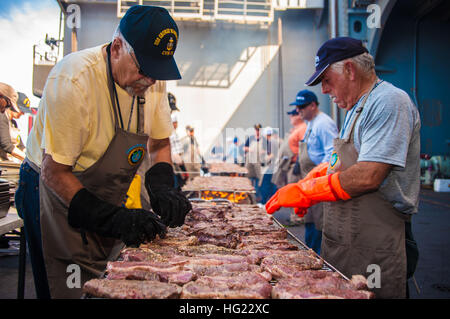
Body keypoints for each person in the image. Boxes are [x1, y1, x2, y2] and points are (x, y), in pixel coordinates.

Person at [15, 5, 192, 298]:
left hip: (101, 193)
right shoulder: (74, 79)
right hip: (52, 189)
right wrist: (115, 219)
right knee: (68, 286)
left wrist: (162, 187)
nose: (149, 81)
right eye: (144, 70)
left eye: (156, 73)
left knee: (106, 282)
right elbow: (55, 172)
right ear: (118, 47)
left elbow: (159, 144)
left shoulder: (153, 83)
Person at [266, 37, 420, 299]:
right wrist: (318, 174)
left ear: (349, 70)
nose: (324, 90)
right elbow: (346, 161)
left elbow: (370, 175)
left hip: (375, 241)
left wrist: (310, 191)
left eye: (327, 80)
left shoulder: (389, 102)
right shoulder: (355, 108)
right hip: (346, 239)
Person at [292, 89, 338, 254]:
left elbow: (332, 155)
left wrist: (318, 179)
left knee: (318, 228)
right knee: (310, 224)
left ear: (313, 105)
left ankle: (317, 262)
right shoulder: (311, 124)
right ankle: (310, 255)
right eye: (297, 107)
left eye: (302, 107)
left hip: (319, 184)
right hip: (310, 184)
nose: (299, 111)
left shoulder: (324, 124)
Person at [271, 105, 306, 225]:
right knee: (292, 192)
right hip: (288, 165)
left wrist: (298, 163)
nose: (290, 117)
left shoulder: (303, 128)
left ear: (298, 116)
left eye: (293, 114)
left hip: (296, 166)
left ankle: (298, 217)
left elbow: (304, 148)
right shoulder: (295, 129)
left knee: (296, 193)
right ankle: (294, 216)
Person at [0, 83, 26, 162]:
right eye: (7, 104)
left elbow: (21, 146)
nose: (5, 109)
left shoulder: (13, 123)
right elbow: (6, 145)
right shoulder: (2, 116)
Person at [169, 113, 187, 187]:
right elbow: (173, 151)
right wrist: (182, 166)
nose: (175, 124)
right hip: (174, 162)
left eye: (176, 123)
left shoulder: (174, 133)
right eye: (174, 123)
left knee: (181, 182)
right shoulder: (170, 134)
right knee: (176, 183)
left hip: (178, 161)